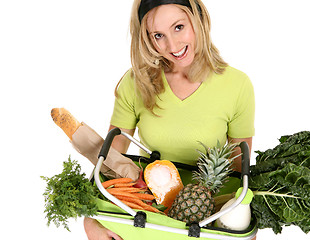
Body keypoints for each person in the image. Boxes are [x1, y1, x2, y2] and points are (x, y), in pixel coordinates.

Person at [84, 0, 255, 239]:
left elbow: (238, 172)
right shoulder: (136, 83)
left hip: (205, 219)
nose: (173, 45)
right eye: (158, 35)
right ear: (147, 39)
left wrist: (242, 227)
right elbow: (109, 160)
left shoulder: (237, 85)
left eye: (178, 27)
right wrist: (93, 219)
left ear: (198, 19)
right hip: (145, 214)